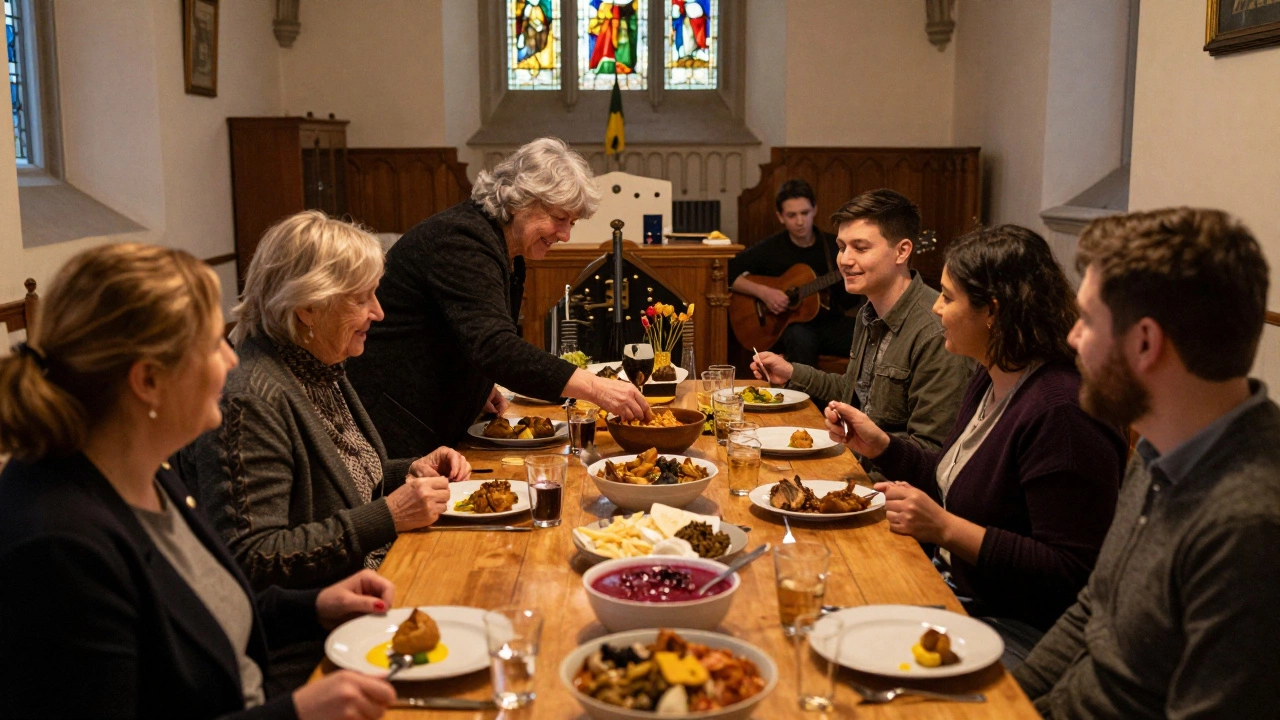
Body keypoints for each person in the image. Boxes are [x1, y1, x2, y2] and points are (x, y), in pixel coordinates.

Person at [0, 243, 397, 719]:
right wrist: (294, 713)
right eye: (212, 345)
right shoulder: (59, 544)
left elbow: (198, 611)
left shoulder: (142, 468)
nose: (232, 361)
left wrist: (313, 606)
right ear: (148, 381)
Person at [1012, 208, 1280, 718]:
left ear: (1144, 342)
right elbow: (1094, 608)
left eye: (1087, 321)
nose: (1072, 338)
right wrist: (996, 705)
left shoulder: (1248, 528)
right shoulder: (1162, 444)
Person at [823, 225, 1126, 659]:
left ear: (993, 312)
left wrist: (945, 529)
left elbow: (1071, 571)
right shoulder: (992, 372)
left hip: (1019, 627)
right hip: (952, 590)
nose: (937, 308)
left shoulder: (1061, 412)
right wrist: (883, 447)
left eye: (947, 296)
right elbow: (957, 485)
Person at [183, 211, 470, 594]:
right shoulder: (251, 400)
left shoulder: (317, 364)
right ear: (308, 308)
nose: (378, 312)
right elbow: (253, 557)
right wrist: (389, 516)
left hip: (380, 573)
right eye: (360, 298)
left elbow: (345, 480)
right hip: (324, 621)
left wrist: (409, 471)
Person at [347, 137, 651, 457]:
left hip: (425, 424)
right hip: (392, 428)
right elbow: (496, 347)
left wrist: (476, 384)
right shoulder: (462, 239)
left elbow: (463, 328)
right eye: (559, 219)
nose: (565, 235)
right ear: (521, 200)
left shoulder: (505, 248)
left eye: (571, 223)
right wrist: (596, 388)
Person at [752, 188, 970, 462]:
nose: (845, 260)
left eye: (861, 248)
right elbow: (858, 392)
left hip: (888, 486)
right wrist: (792, 372)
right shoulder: (869, 311)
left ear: (902, 251)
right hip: (855, 463)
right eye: (842, 247)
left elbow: (932, 454)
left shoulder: (935, 331)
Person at [728, 179, 862, 365]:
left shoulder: (834, 246)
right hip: (787, 328)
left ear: (814, 210)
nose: (800, 221)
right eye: (792, 215)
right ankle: (804, 393)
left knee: (868, 333)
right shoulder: (771, 248)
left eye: (805, 213)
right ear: (781, 216)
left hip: (829, 323)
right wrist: (765, 293)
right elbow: (727, 270)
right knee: (799, 338)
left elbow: (851, 301)